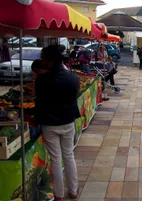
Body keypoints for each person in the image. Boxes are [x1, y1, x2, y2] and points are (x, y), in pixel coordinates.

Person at [35, 45, 79, 201]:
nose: (42, 61)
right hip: (68, 122)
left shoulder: (42, 80)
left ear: (50, 61)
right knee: (68, 155)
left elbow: (38, 102)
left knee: (56, 159)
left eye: (43, 58)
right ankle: (73, 191)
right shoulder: (73, 77)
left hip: (50, 124)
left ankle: (59, 195)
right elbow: (74, 99)